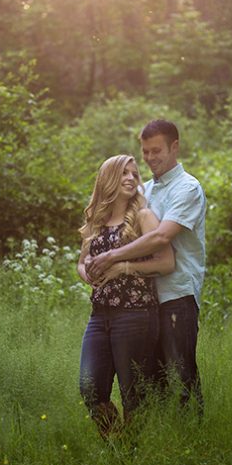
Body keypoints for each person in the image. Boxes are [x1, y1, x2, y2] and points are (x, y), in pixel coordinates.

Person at [86, 120, 207, 412]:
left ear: (174, 147)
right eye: (146, 152)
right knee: (151, 382)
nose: (151, 158)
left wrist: (114, 259)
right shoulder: (145, 190)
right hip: (143, 303)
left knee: (181, 375)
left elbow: (161, 236)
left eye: (157, 151)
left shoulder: (188, 188)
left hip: (176, 295)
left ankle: (192, 436)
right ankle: (157, 440)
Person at [76, 154, 175, 437]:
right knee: (90, 388)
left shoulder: (143, 217)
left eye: (135, 174)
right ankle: (116, 443)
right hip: (99, 316)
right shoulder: (97, 221)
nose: (131, 178)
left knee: (134, 395)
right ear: (108, 178)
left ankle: (131, 456)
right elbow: (81, 263)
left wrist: (122, 267)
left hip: (136, 314)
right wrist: (88, 275)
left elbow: (166, 262)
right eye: (124, 173)